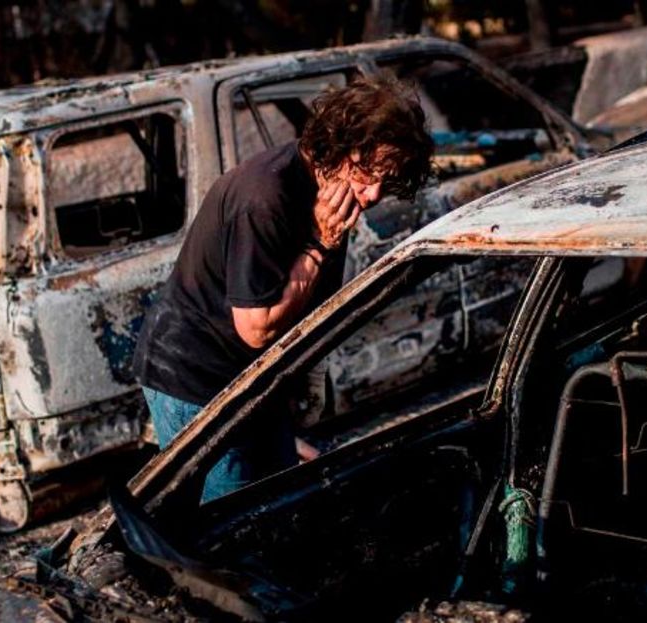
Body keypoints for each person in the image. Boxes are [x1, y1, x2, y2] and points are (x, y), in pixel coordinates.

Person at [132, 76, 433, 501]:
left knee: (281, 502)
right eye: (368, 174)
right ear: (338, 143)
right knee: (235, 523)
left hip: (250, 380)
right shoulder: (266, 198)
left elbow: (309, 311)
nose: (373, 194)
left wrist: (281, 426)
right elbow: (258, 328)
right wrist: (319, 244)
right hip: (196, 377)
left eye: (388, 180)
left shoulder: (333, 191)